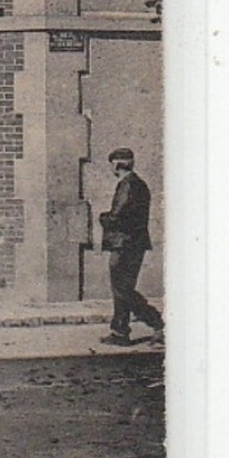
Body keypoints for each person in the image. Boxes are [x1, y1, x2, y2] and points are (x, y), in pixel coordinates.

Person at [99, 147, 163, 346]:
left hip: (124, 244)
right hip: (134, 244)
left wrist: (103, 218)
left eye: (112, 164)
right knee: (123, 288)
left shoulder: (127, 185)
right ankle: (120, 332)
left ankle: (156, 322)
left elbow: (117, 216)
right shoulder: (139, 185)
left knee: (122, 289)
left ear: (117, 165)